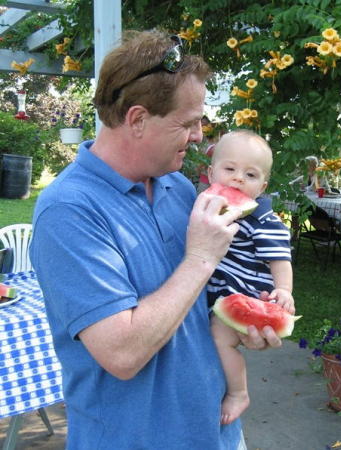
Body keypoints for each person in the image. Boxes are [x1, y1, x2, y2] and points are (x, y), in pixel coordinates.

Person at [29, 30, 282, 450]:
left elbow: (197, 307)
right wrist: (201, 256)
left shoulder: (178, 188)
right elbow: (122, 355)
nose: (200, 136)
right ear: (138, 119)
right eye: (188, 122)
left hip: (217, 431)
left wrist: (244, 322)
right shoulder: (69, 211)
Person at [206, 130, 295, 426]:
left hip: (245, 295)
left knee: (221, 338)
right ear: (210, 173)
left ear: (264, 186)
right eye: (229, 169)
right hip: (218, 291)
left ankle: (238, 392)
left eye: (251, 174)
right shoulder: (211, 207)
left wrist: (283, 290)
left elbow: (280, 260)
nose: (238, 179)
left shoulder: (264, 222)